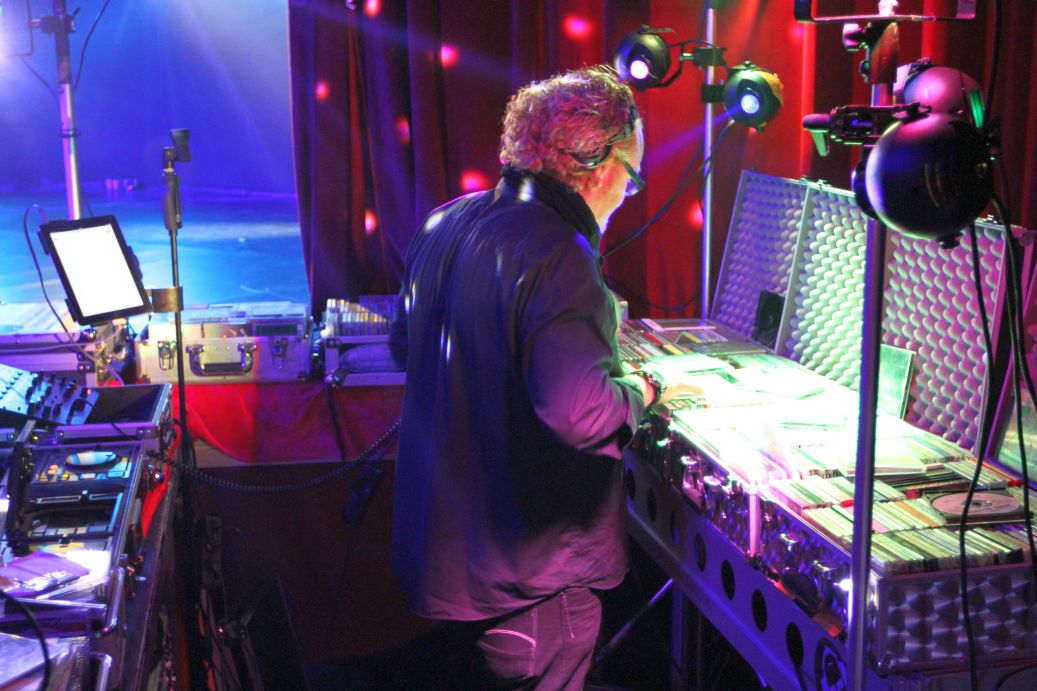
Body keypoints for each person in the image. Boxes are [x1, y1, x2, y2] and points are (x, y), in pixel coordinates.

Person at [388, 65, 688, 689]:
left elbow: (404, 347)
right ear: (598, 169)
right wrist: (643, 390)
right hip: (530, 584)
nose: (627, 196)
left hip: (452, 568)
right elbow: (581, 415)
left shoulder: (446, 221)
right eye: (631, 179)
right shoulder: (560, 252)